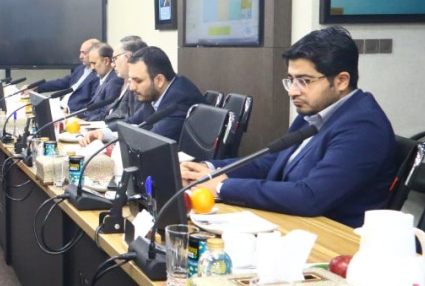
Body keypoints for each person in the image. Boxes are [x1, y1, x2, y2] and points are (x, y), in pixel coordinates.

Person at [181, 27, 397, 227]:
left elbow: (310, 196)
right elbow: (270, 163)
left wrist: (221, 187)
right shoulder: (314, 111)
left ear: (341, 81)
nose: (293, 91)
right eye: (291, 80)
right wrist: (208, 169)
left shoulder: (363, 127)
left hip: (332, 239)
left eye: (304, 81)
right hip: (293, 224)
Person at [81, 45, 203, 145]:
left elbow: (151, 141)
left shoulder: (179, 99)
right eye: (131, 80)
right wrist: (104, 132)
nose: (132, 87)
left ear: (159, 80)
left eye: (138, 81)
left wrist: (110, 137)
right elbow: (133, 121)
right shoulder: (156, 93)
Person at [36, 38, 100, 94]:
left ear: (94, 53)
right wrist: (38, 88)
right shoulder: (80, 69)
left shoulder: (98, 75)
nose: (80, 57)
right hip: (62, 101)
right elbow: (62, 83)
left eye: (84, 53)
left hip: (73, 104)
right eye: (80, 52)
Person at [79, 43, 123, 122]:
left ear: (106, 61)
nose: (92, 68)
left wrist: (83, 121)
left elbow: (105, 114)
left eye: (94, 63)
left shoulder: (114, 82)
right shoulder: (103, 78)